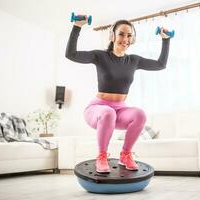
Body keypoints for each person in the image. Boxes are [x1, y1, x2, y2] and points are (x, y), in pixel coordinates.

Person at [66, 15, 171, 173]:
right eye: (121, 34)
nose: (125, 39)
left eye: (129, 35)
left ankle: (126, 154)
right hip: (97, 109)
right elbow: (71, 54)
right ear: (112, 35)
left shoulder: (134, 60)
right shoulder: (99, 56)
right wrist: (77, 27)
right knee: (108, 112)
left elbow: (160, 65)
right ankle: (101, 156)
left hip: (120, 110)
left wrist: (166, 40)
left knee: (140, 114)